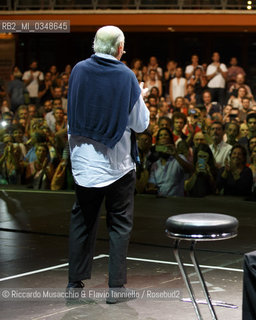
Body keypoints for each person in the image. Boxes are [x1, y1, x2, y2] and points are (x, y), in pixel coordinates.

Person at [66, 26, 150, 303]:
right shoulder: (126, 76)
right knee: (119, 224)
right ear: (118, 47)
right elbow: (141, 123)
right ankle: (116, 289)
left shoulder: (78, 69)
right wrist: (139, 96)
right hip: (117, 164)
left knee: (82, 222)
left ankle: (74, 284)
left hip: (83, 163)